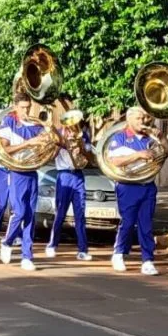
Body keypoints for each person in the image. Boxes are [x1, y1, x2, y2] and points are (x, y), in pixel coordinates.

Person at [108, 106, 168, 276]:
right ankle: (119, 253)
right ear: (129, 119)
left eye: (143, 118)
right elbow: (114, 161)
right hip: (128, 185)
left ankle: (148, 260)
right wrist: (138, 155)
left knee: (146, 224)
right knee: (128, 222)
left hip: (148, 186)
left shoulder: (150, 138)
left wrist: (162, 138)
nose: (142, 122)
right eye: (138, 119)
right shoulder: (120, 137)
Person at [0, 93, 49, 271]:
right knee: (19, 212)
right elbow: (5, 150)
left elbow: (50, 143)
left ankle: (27, 256)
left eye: (28, 107)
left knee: (30, 215)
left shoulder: (36, 125)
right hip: (17, 172)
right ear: (15, 107)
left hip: (32, 172)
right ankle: (8, 241)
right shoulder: (8, 123)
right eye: (22, 107)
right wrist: (29, 144)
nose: (26, 110)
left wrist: (46, 137)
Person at [46, 97, 93, 261]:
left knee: (80, 214)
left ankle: (83, 249)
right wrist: (63, 144)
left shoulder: (83, 135)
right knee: (61, 212)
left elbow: (90, 157)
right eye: (70, 121)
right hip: (64, 175)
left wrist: (80, 148)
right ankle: (52, 245)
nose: (73, 124)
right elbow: (52, 155)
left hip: (78, 175)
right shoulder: (59, 134)